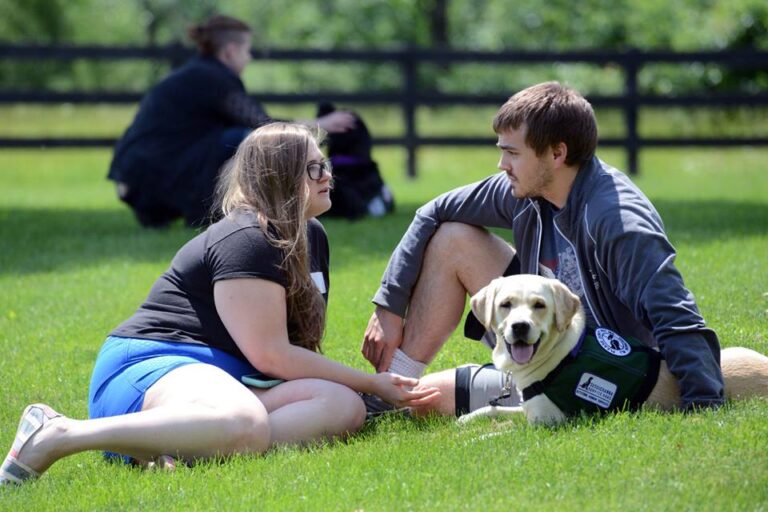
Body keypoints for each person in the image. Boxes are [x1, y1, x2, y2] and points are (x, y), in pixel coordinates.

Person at [0, 123, 438, 486]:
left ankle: (181, 448)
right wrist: (370, 380)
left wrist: (360, 391)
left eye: (324, 165)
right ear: (279, 176)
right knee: (245, 423)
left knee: (345, 407)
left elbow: (283, 356)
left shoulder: (312, 237)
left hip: (227, 380)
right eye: (313, 168)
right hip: (156, 365)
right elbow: (273, 354)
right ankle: (60, 432)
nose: (328, 176)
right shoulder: (247, 238)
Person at [360, 81, 724, 418]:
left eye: (512, 153)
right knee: (453, 238)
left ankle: (404, 397)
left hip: (601, 375)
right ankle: (390, 389)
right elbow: (433, 211)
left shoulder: (618, 220)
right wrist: (390, 306)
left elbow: (677, 316)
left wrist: (703, 405)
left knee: (429, 400)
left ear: (557, 153)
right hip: (536, 348)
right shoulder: (526, 190)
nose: (502, 165)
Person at [108, 14, 355, 228]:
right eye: (247, 50)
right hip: (151, 173)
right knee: (244, 140)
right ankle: (221, 211)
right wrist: (321, 124)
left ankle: (165, 211)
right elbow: (263, 124)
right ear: (230, 51)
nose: (249, 58)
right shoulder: (212, 78)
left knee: (232, 136)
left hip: (136, 170)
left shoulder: (198, 72)